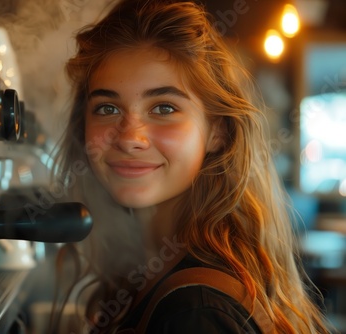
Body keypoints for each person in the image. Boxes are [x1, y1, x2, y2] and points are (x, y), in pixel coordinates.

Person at [49, 0, 332, 333]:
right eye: (107, 108)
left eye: (164, 108)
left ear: (217, 132)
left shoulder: (195, 313)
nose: (130, 138)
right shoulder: (155, 271)